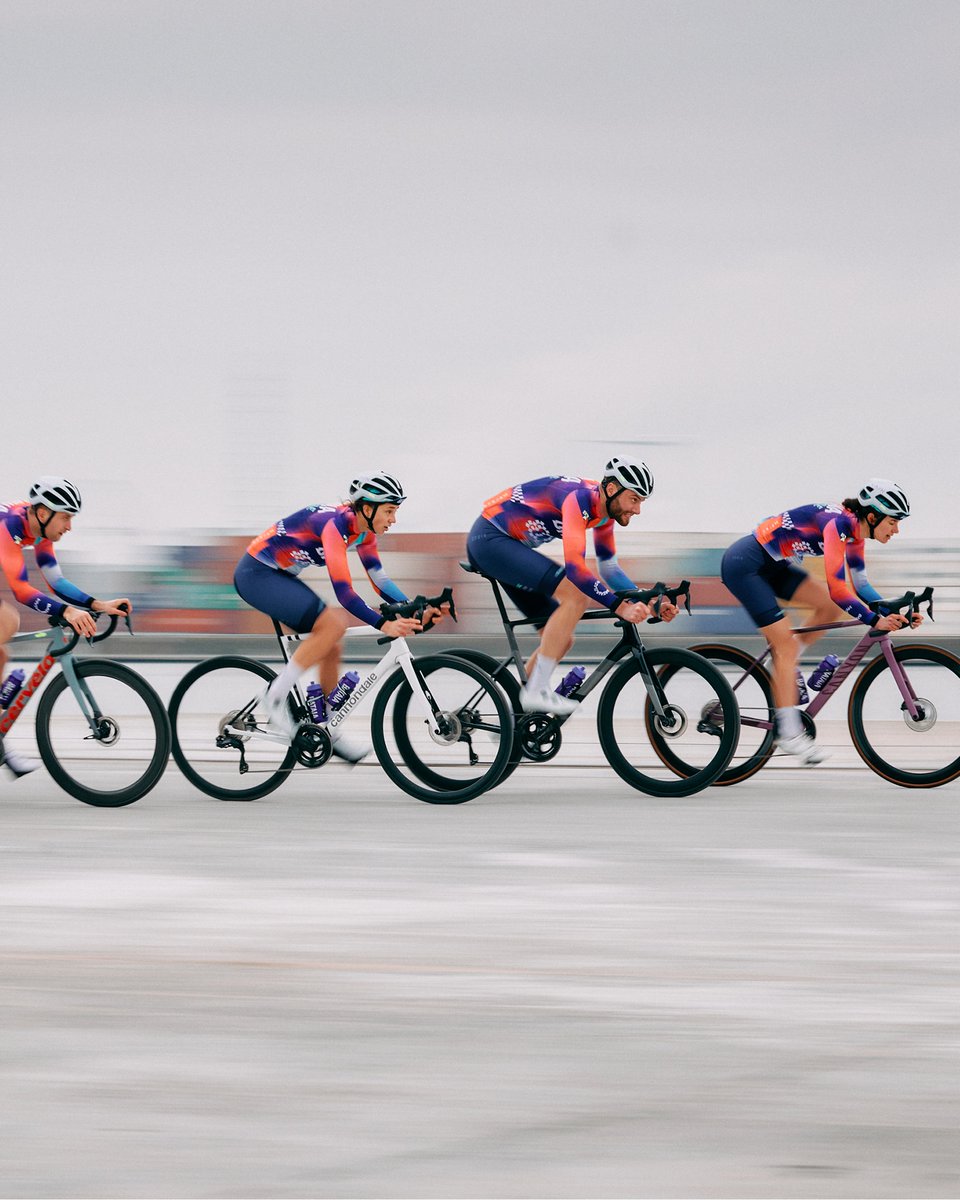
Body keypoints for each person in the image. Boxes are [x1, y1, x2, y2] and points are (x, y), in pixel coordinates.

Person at [234, 471, 444, 762]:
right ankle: (274, 697)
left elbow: (379, 581)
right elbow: (344, 593)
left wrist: (414, 607)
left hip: (280, 576)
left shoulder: (364, 532)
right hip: (256, 574)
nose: (393, 519)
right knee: (334, 624)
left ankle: (327, 727)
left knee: (332, 640)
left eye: (395, 512)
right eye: (389, 511)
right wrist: (384, 624)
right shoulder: (334, 526)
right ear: (367, 509)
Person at [720, 479, 919, 766]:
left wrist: (894, 610)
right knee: (787, 645)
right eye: (893, 521)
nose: (897, 529)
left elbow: (860, 586)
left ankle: (785, 663)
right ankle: (788, 733)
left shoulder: (855, 534)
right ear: (873, 516)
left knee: (825, 609)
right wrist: (875, 619)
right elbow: (839, 590)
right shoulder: (837, 525)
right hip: (744, 564)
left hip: (773, 564)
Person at [466, 456, 678, 716]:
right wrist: (619, 606)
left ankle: (514, 723)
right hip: (490, 539)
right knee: (576, 597)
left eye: (641, 502)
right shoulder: (578, 500)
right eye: (634, 500)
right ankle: (536, 692)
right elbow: (576, 569)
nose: (637, 510)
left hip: (510, 547)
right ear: (612, 490)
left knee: (559, 640)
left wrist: (650, 602)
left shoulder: (604, 515)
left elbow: (609, 569)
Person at [0, 477, 132, 779]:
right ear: (44, 513)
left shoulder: (39, 530)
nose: (70, 526)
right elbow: (20, 589)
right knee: (8, 621)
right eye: (66, 516)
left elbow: (55, 582)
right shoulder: (9, 524)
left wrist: (96, 604)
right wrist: (66, 611)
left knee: (2, 645)